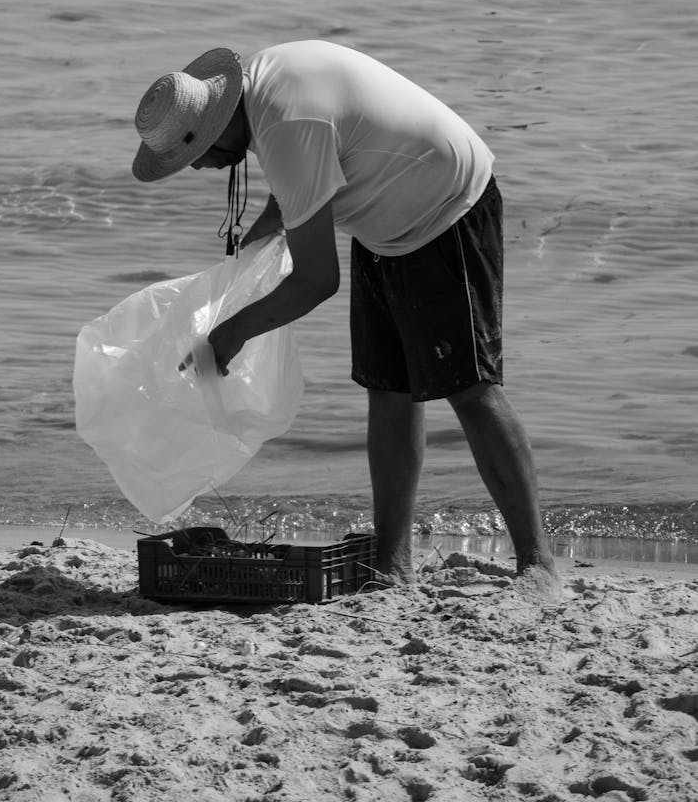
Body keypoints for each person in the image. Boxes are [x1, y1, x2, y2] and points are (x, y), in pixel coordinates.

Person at [132, 40, 559, 591]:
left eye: (198, 157)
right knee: (389, 390)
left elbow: (316, 280)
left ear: (217, 128)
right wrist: (257, 252)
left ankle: (538, 564)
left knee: (469, 388)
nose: (201, 168)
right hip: (384, 220)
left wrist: (232, 332)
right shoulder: (264, 87)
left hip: (445, 206)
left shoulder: (284, 124)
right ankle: (393, 564)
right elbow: (300, 184)